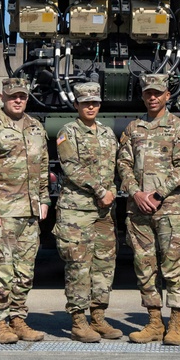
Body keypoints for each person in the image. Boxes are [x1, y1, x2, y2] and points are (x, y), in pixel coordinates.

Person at [117, 73, 180, 345]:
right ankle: (153, 323)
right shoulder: (133, 128)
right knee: (144, 267)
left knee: (173, 266)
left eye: (157, 93)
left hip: (169, 210)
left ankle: (175, 324)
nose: (153, 97)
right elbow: (123, 165)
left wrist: (159, 194)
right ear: (142, 96)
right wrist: (136, 192)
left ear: (167, 96)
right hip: (138, 210)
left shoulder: (178, 128)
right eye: (148, 93)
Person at [0, 77, 51, 344]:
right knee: (1, 270)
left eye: (22, 96)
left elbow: (42, 168)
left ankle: (17, 318)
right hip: (2, 213)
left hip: (29, 213)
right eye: (12, 96)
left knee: (24, 272)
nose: (18, 100)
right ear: (2, 97)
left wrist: (44, 200)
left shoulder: (36, 128)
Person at [54, 81, 121, 343]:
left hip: (103, 211)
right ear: (76, 105)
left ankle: (98, 317)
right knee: (79, 266)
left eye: (94, 102)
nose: (90, 107)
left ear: (99, 105)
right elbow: (71, 167)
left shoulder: (107, 133)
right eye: (85, 103)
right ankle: (79, 322)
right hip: (77, 210)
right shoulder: (67, 132)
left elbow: (113, 167)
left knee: (104, 264)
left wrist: (112, 191)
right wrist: (100, 190)